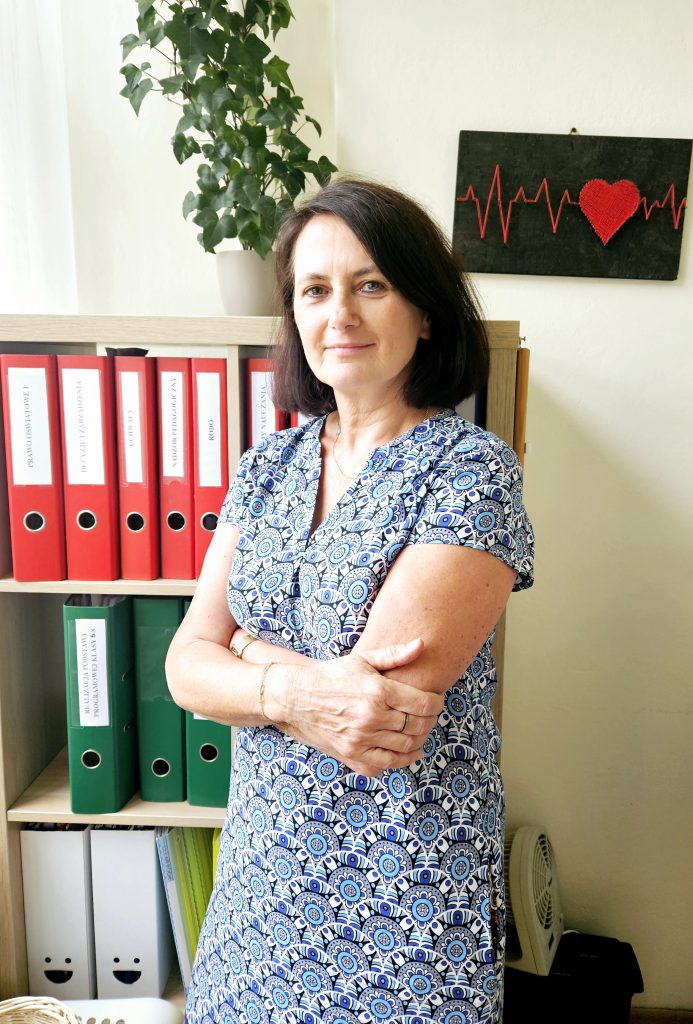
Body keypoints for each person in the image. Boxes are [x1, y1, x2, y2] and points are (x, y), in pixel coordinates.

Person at [167, 177, 535, 1024]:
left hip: (403, 894)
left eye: (371, 285)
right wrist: (286, 685)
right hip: (260, 879)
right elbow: (185, 666)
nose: (340, 314)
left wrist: (245, 650)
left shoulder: (471, 470)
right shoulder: (268, 467)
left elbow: (379, 716)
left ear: (425, 311)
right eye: (315, 290)